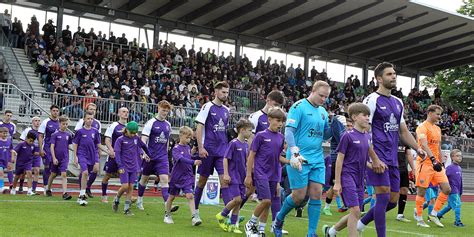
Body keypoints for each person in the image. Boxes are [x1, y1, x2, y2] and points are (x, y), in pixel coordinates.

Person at [357, 62, 425, 237]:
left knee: (393, 201)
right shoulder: (371, 100)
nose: (393, 76)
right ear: (379, 78)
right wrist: (373, 158)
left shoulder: (398, 102)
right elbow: (364, 130)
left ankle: (358, 224)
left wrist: (418, 148)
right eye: (389, 74)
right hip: (377, 156)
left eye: (394, 73)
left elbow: (403, 131)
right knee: (382, 196)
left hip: (393, 157)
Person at [273, 81, 335, 237]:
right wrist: (294, 151)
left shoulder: (323, 112)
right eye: (321, 95)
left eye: (326, 97)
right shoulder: (298, 107)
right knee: (298, 196)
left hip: (317, 158)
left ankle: (311, 233)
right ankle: (278, 220)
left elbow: (325, 135)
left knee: (316, 193)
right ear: (312, 91)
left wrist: (334, 126)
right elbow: (289, 131)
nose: (323, 99)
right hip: (298, 157)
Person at [322, 103, 386, 237]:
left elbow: (364, 159)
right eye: (364, 115)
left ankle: (331, 232)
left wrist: (374, 166)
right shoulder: (347, 136)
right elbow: (340, 159)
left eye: (368, 115)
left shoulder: (367, 136)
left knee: (356, 212)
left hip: (360, 178)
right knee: (356, 211)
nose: (368, 118)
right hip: (347, 176)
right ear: (355, 117)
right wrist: (338, 182)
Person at [244, 108, 289, 236]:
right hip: (261, 173)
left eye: (282, 121)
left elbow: (278, 157)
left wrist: (290, 162)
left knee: (268, 203)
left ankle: (261, 230)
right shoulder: (260, 135)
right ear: (269, 119)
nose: (280, 124)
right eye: (278, 120)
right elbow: (251, 156)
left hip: (274, 174)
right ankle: (251, 224)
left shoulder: (281, 137)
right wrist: (248, 175)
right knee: (266, 201)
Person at [194, 82, 230, 217]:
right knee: (202, 181)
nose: (225, 95)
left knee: (225, 181)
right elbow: (199, 127)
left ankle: (227, 216)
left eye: (227, 92)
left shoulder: (227, 110)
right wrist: (200, 147)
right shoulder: (207, 106)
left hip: (222, 152)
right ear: (216, 92)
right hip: (207, 150)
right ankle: (195, 211)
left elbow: (224, 131)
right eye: (223, 92)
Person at [414, 105, 451, 228]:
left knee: (447, 189)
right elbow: (424, 145)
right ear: (429, 113)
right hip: (425, 163)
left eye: (440, 114)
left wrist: (441, 162)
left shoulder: (438, 129)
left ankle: (434, 214)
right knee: (422, 191)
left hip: (436, 164)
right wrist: (433, 159)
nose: (439, 117)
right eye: (437, 114)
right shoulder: (422, 127)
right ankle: (419, 218)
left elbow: (438, 147)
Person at [215, 118, 253, 233]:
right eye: (249, 130)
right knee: (237, 199)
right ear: (242, 130)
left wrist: (248, 174)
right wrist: (226, 174)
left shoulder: (246, 145)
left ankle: (233, 225)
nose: (251, 133)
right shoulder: (233, 143)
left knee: (239, 201)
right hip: (233, 175)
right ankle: (222, 214)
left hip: (242, 176)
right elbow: (225, 159)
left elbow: (246, 161)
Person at [139, 101, 176, 211]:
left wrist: (169, 155)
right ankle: (140, 200)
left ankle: (167, 205)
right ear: (158, 108)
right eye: (163, 110)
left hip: (162, 158)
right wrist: (144, 152)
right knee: (144, 179)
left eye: (167, 111)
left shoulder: (168, 125)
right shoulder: (150, 123)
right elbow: (144, 139)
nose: (165, 112)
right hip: (150, 157)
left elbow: (167, 141)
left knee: (164, 179)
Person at [112, 121, 152, 216]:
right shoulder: (120, 140)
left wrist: (149, 154)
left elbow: (143, 146)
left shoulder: (136, 138)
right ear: (126, 130)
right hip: (123, 166)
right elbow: (117, 153)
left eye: (135, 133)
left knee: (131, 187)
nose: (133, 134)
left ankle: (126, 209)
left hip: (134, 166)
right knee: (125, 186)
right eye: (132, 132)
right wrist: (119, 165)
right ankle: (116, 199)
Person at [165, 126, 202, 225]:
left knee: (190, 196)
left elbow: (189, 157)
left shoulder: (188, 147)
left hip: (187, 176)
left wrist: (199, 156)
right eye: (187, 137)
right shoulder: (176, 149)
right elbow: (181, 159)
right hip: (177, 177)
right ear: (181, 136)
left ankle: (194, 217)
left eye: (190, 138)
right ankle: (167, 214)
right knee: (171, 197)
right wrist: (193, 162)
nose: (189, 140)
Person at [323, 115, 351, 216]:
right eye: (345, 125)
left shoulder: (345, 134)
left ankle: (345, 204)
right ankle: (327, 206)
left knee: (341, 184)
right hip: (336, 160)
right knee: (334, 185)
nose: (347, 126)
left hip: (344, 161)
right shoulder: (339, 134)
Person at [73, 112, 102, 206]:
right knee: (84, 172)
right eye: (88, 118)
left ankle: (81, 193)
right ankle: (82, 196)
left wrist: (108, 150)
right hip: (82, 155)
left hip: (92, 156)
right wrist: (75, 157)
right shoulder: (80, 131)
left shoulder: (95, 131)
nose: (90, 120)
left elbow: (98, 144)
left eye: (91, 119)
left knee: (88, 174)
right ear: (84, 119)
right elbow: (75, 144)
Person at [101, 107, 128, 203]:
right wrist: (111, 150)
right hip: (114, 156)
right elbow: (107, 139)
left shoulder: (129, 126)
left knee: (125, 177)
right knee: (107, 176)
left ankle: (127, 197)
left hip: (124, 157)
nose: (126, 113)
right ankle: (104, 195)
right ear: (119, 114)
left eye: (127, 112)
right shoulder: (114, 125)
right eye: (123, 112)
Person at [45, 116, 72, 200]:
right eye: (63, 124)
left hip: (65, 158)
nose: (65, 126)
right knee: (53, 174)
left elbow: (69, 146)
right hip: (56, 157)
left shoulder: (69, 135)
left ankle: (64, 193)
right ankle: (48, 189)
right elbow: (52, 147)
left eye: (66, 124)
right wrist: (53, 158)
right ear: (59, 124)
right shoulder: (55, 135)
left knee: (64, 174)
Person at [436, 149, 464, 227]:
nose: (460, 157)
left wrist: (461, 191)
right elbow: (443, 178)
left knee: (449, 206)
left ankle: (438, 215)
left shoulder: (459, 168)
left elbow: (460, 181)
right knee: (458, 205)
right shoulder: (449, 168)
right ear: (452, 157)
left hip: (457, 190)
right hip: (452, 190)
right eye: (457, 156)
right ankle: (457, 222)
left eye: (460, 155)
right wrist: (442, 188)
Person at [39, 105, 60, 194]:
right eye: (54, 110)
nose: (55, 112)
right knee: (47, 167)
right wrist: (41, 149)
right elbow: (40, 136)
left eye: (57, 110)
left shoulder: (60, 122)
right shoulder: (46, 122)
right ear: (50, 111)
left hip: (57, 148)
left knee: (56, 170)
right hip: (47, 147)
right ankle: (46, 187)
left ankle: (49, 185)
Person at [10, 131, 39, 196]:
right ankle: (13, 189)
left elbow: (33, 153)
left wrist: (40, 153)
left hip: (28, 163)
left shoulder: (33, 146)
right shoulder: (21, 144)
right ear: (26, 138)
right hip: (20, 163)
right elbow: (13, 151)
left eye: (33, 141)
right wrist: (12, 158)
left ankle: (29, 191)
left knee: (29, 174)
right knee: (17, 176)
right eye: (30, 141)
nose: (31, 142)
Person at [18, 116, 41, 193]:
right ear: (32, 122)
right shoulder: (27, 130)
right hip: (28, 153)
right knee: (24, 171)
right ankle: (21, 186)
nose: (37, 122)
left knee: (37, 170)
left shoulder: (42, 131)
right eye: (36, 120)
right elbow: (21, 140)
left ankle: (33, 189)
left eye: (38, 121)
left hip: (37, 152)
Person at [396, 145, 416, 222]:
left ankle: (400, 214)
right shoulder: (390, 136)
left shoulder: (404, 139)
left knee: (404, 190)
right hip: (392, 168)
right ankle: (378, 212)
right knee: (389, 192)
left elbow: (408, 154)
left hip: (403, 168)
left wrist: (413, 168)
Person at [0, 110, 16, 189]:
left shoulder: (13, 125)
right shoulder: (0, 124)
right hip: (1, 148)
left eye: (10, 116)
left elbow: (12, 137)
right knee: (1, 171)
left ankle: (11, 184)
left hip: (8, 148)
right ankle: (1, 186)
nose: (9, 117)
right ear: (4, 115)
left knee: (10, 168)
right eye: (7, 115)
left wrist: (12, 152)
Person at [0, 127, 12, 191]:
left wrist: (11, 158)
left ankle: (11, 184)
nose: (5, 135)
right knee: (1, 173)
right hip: (0, 160)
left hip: (7, 159)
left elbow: (11, 150)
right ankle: (1, 187)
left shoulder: (9, 141)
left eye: (6, 133)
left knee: (10, 170)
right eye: (4, 133)